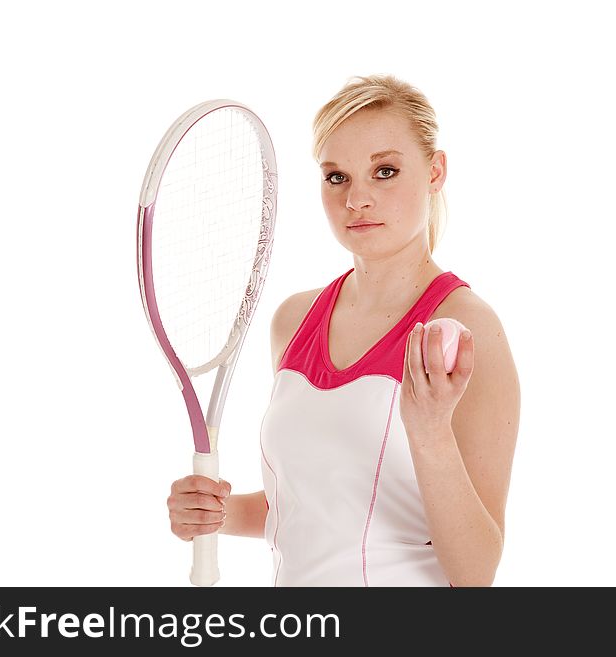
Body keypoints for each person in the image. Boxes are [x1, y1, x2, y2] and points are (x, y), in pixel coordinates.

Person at [167, 74, 520, 586]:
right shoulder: (294, 321)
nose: (357, 199)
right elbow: (306, 509)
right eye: (337, 177)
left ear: (435, 171)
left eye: (385, 170)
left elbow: (476, 573)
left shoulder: (469, 329)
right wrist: (216, 514)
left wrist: (430, 433)